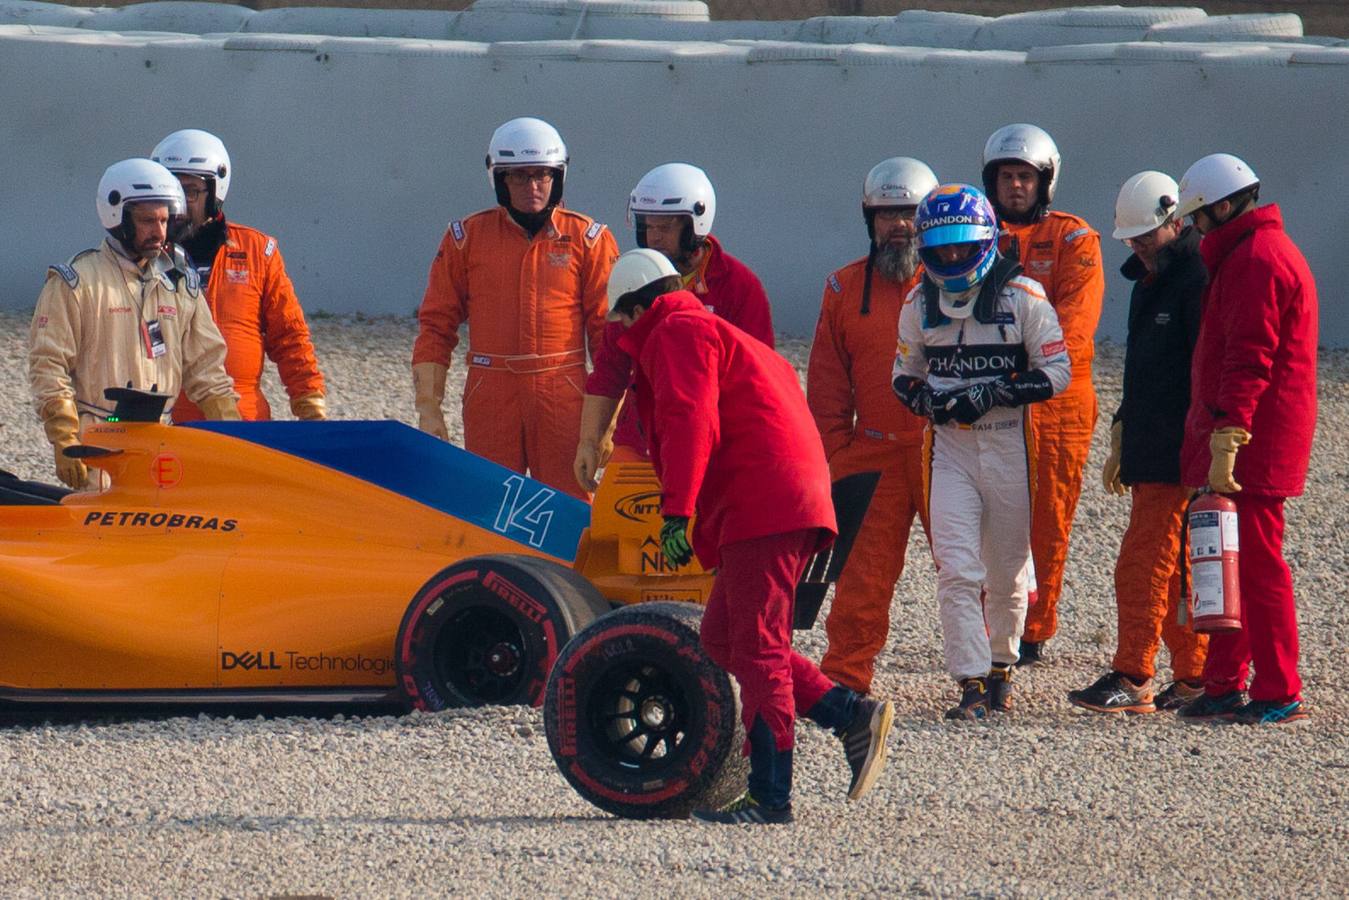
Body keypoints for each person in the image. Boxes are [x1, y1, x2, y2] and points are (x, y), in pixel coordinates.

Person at [606, 248, 894, 825]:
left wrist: (675, 512)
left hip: (763, 504)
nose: (620, 333)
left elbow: (691, 419)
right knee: (723, 639)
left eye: (621, 319)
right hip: (778, 497)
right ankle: (845, 713)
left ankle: (771, 797)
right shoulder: (713, 331)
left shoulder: (677, 330)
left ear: (640, 306)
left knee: (759, 649)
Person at [892, 184, 1070, 720]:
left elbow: (1058, 372)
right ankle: (969, 682)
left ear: (987, 241)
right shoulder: (916, 301)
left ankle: (1001, 666)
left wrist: (994, 392)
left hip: (1010, 444)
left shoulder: (1025, 297)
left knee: (1008, 568)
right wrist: (929, 401)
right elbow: (903, 375)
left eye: (960, 246)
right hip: (949, 449)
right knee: (956, 569)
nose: (950, 257)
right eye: (939, 249)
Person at [1171, 154, 1317, 726]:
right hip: (1249, 430)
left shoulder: (1256, 260)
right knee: (1227, 559)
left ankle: (1279, 689)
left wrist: (1230, 430)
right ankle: (1225, 683)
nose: (1195, 228)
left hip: (1253, 436)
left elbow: (1249, 356)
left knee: (1256, 566)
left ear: (1224, 207)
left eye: (1199, 216)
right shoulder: (1250, 254)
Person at [413, 117, 618, 499]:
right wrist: (428, 407)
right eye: (520, 177)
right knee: (486, 504)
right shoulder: (466, 238)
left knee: (567, 509)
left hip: (563, 389)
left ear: (558, 177)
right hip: (490, 390)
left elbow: (609, 337)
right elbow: (436, 323)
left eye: (542, 175)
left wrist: (604, 424)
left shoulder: (589, 239)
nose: (533, 186)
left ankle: (566, 563)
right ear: (499, 179)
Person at [1068, 171, 1209, 715]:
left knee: (1143, 562)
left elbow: (1202, 369)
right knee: (1175, 568)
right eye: (1130, 240)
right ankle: (1195, 676)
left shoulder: (1195, 280)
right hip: (1156, 444)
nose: (1138, 248)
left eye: (1144, 237)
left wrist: (1204, 448)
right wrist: (1124, 425)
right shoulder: (1151, 279)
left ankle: (1133, 675)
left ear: (1175, 222)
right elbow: (1146, 368)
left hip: (1178, 448)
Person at [807, 157, 938, 694]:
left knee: (966, 569)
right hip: (873, 450)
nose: (898, 225)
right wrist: (837, 456)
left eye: (908, 213)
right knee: (859, 576)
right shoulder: (842, 288)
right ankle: (844, 676)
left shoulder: (959, 278)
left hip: (947, 448)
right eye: (886, 215)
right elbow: (827, 385)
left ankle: (984, 676)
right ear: (869, 219)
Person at [29, 158, 239, 489]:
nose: (160, 232)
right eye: (147, 221)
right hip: (99, 450)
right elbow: (49, 365)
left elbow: (208, 372)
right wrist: (64, 437)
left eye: (165, 220)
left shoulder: (180, 282)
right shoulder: (76, 282)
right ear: (117, 217)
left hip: (163, 450)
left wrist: (234, 437)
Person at [981, 124, 1104, 665]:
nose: (1015, 186)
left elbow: (1074, 330)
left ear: (1045, 181)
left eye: (1024, 177)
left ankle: (1032, 630)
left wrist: (1020, 370)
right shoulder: (973, 233)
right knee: (984, 516)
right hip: (992, 396)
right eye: (1006, 176)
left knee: (1048, 519)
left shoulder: (1075, 239)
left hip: (1056, 404)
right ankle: (993, 622)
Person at [574, 162, 773, 492]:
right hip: (638, 440)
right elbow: (610, 370)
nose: (653, 237)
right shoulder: (633, 279)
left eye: (665, 227)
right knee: (615, 532)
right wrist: (589, 442)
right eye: (647, 226)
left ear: (696, 224)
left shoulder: (740, 287)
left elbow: (759, 381)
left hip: (714, 447)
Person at [151, 129, 327, 423]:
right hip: (165, 424)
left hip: (241, 421)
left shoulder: (258, 251)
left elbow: (289, 335)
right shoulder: (142, 256)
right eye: (169, 190)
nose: (177, 202)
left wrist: (310, 404)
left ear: (215, 191)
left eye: (189, 191)